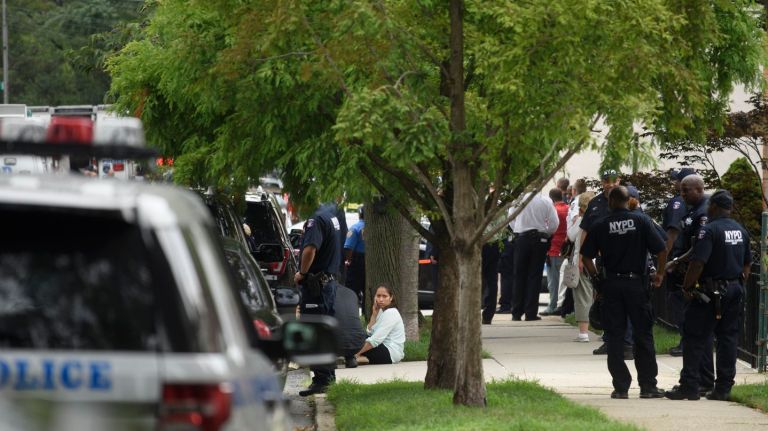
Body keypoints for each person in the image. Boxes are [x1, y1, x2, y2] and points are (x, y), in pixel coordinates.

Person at [581, 186, 668, 399]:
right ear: (629, 201)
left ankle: (621, 387)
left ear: (610, 201)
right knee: (643, 335)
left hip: (612, 285)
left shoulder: (600, 225)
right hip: (637, 285)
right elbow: (662, 249)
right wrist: (660, 274)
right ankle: (648, 386)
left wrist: (598, 281)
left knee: (615, 336)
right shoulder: (641, 221)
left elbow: (586, 257)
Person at [665, 190, 751, 401]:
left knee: (695, 338)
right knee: (728, 339)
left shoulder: (709, 231)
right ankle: (723, 388)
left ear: (713, 206)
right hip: (733, 290)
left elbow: (698, 263)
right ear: (729, 208)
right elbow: (747, 264)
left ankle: (690, 386)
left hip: (709, 292)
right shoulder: (741, 231)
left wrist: (686, 287)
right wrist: (737, 283)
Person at [664, 174, 715, 397]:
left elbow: (697, 250)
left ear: (699, 189)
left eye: (686, 190)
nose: (682, 194)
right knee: (693, 333)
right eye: (681, 190)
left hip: (696, 280)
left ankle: (701, 381)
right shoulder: (693, 209)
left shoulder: (703, 213)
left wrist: (676, 262)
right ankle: (699, 379)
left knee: (696, 334)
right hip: (686, 275)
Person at [581, 170, 634, 358]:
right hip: (603, 260)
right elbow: (585, 231)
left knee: (626, 303)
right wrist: (582, 257)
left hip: (627, 261)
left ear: (619, 181)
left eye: (614, 180)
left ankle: (627, 343)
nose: (610, 184)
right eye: (606, 181)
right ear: (602, 182)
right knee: (606, 303)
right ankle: (609, 340)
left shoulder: (629, 198)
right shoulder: (595, 203)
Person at [296, 204, 343, 396]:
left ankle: (322, 379)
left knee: (315, 330)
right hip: (327, 284)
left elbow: (309, 250)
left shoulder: (315, 221)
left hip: (317, 285)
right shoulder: (331, 217)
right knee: (324, 330)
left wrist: (302, 273)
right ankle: (327, 377)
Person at [510, 192, 559, 321]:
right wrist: (546, 233)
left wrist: (519, 229)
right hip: (539, 239)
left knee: (519, 275)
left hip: (521, 238)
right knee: (534, 276)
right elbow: (554, 223)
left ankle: (516, 312)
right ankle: (530, 313)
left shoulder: (518, 200)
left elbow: (510, 218)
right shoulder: (546, 201)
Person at [663, 168, 696, 357]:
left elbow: (673, 231)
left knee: (678, 301)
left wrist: (665, 258)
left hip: (678, 259)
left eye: (676, 181)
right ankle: (687, 340)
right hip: (686, 258)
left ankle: (686, 341)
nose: (674, 184)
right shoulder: (696, 203)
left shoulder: (677, 202)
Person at [567, 191, 595, 342]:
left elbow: (570, 236)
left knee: (583, 296)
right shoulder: (602, 219)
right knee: (599, 296)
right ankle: (605, 330)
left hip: (582, 261)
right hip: (600, 262)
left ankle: (583, 333)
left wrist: (573, 220)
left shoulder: (581, 220)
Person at [356, 284, 406, 364]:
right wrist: (374, 314)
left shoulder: (391, 313)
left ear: (391, 297)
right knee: (359, 336)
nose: (381, 299)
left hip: (390, 352)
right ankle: (361, 359)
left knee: (357, 337)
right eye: (378, 296)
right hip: (383, 349)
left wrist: (356, 353)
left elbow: (375, 340)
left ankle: (353, 357)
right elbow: (370, 333)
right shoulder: (380, 311)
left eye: (384, 296)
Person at [541, 188, 569, 316]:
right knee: (565, 282)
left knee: (553, 282)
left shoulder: (553, 210)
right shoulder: (569, 208)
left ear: (551, 198)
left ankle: (552, 306)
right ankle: (562, 306)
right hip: (566, 249)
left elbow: (548, 229)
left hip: (553, 249)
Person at [335, 285, 367, 368]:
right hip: (358, 343)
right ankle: (350, 358)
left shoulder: (325, 293)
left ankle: (330, 361)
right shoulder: (351, 293)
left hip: (335, 344)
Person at [344, 206, 366, 305]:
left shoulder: (354, 228)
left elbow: (348, 247)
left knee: (352, 292)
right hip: (370, 263)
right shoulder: (375, 228)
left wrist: (348, 260)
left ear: (360, 214)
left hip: (357, 262)